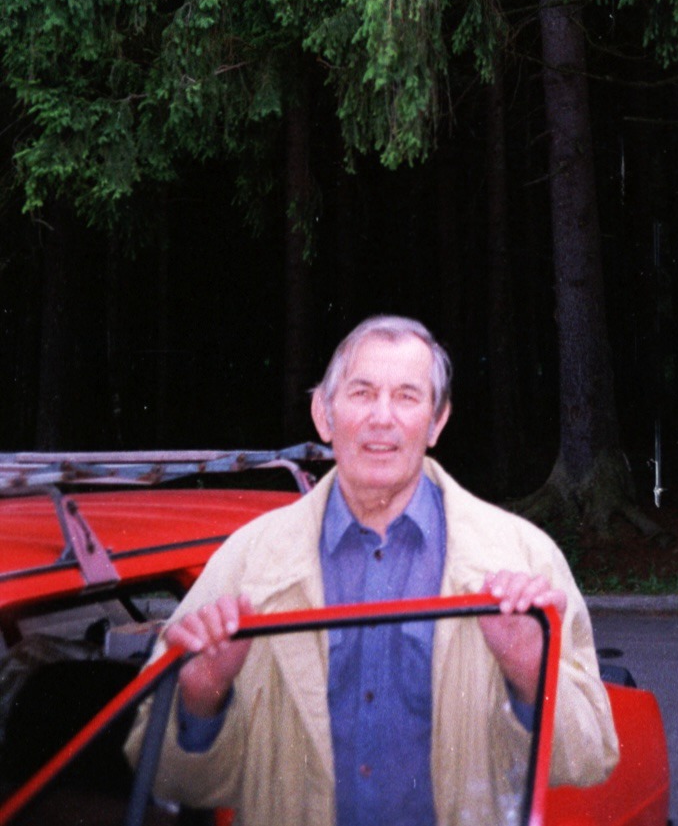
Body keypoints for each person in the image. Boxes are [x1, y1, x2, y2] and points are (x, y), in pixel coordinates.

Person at [131, 315, 617, 824]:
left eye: (407, 396)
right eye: (361, 392)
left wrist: (530, 673)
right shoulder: (248, 558)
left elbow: (588, 757)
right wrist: (201, 700)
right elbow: (163, 774)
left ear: (436, 421)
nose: (382, 418)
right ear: (324, 413)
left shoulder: (521, 557)